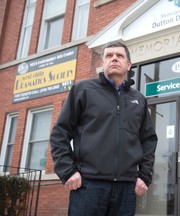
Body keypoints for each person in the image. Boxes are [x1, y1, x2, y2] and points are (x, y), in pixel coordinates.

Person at [50, 40, 158, 215]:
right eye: (109, 55)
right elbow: (60, 133)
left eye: (120, 55)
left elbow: (148, 141)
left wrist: (144, 176)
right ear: (102, 63)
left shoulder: (138, 99)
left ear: (128, 64)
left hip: (126, 188)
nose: (114, 59)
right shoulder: (83, 90)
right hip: (88, 185)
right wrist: (67, 171)